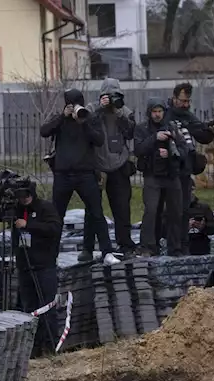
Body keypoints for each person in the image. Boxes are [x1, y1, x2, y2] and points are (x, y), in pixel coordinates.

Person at [0, 176, 64, 355]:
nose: (24, 198)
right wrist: (0, 189)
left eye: (27, 195)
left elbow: (54, 229)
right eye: (20, 195)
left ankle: (51, 347)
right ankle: (33, 348)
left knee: (47, 308)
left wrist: (28, 225)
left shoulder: (45, 208)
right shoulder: (16, 209)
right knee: (29, 309)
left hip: (44, 265)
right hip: (24, 266)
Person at [43, 89, 118, 265]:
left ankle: (107, 252)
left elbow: (99, 140)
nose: (75, 107)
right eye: (71, 104)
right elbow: (44, 131)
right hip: (63, 175)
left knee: (96, 213)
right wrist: (63, 116)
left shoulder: (90, 118)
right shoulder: (60, 120)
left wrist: (83, 122)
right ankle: (50, 254)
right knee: (56, 216)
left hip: (85, 174)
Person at [88, 78, 137, 254]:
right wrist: (100, 108)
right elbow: (84, 126)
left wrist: (119, 113)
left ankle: (125, 244)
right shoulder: (93, 109)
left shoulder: (125, 111)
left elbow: (131, 133)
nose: (111, 100)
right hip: (98, 166)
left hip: (119, 164)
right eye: (108, 96)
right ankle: (97, 246)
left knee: (122, 208)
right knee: (94, 210)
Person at [134, 100, 185, 256]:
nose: (157, 114)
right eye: (154, 111)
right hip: (152, 175)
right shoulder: (142, 129)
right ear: (150, 112)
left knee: (175, 212)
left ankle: (175, 247)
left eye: (160, 111)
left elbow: (184, 150)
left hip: (171, 175)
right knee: (151, 211)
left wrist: (170, 153)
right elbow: (139, 149)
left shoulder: (173, 127)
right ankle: (148, 246)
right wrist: (155, 137)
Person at [166, 82, 214, 210]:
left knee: (184, 208)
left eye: (188, 101)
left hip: (186, 168)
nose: (186, 105)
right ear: (174, 99)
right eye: (183, 101)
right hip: (168, 169)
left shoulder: (188, 115)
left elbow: (201, 135)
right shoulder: (165, 115)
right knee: (171, 209)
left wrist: (210, 131)